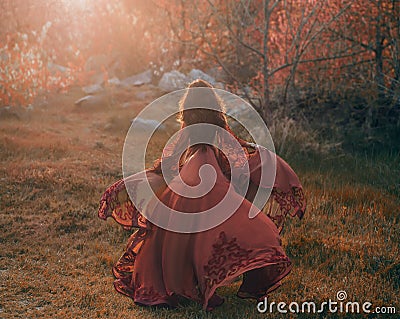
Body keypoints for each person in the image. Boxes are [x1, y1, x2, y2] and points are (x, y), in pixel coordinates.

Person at [98, 79, 306, 311]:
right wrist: (254, 151)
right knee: (210, 231)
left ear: (187, 106)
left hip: (190, 179)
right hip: (208, 177)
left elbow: (171, 158)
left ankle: (186, 280)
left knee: (182, 233)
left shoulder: (188, 127)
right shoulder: (217, 124)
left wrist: (155, 171)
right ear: (214, 105)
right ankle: (202, 280)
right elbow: (234, 149)